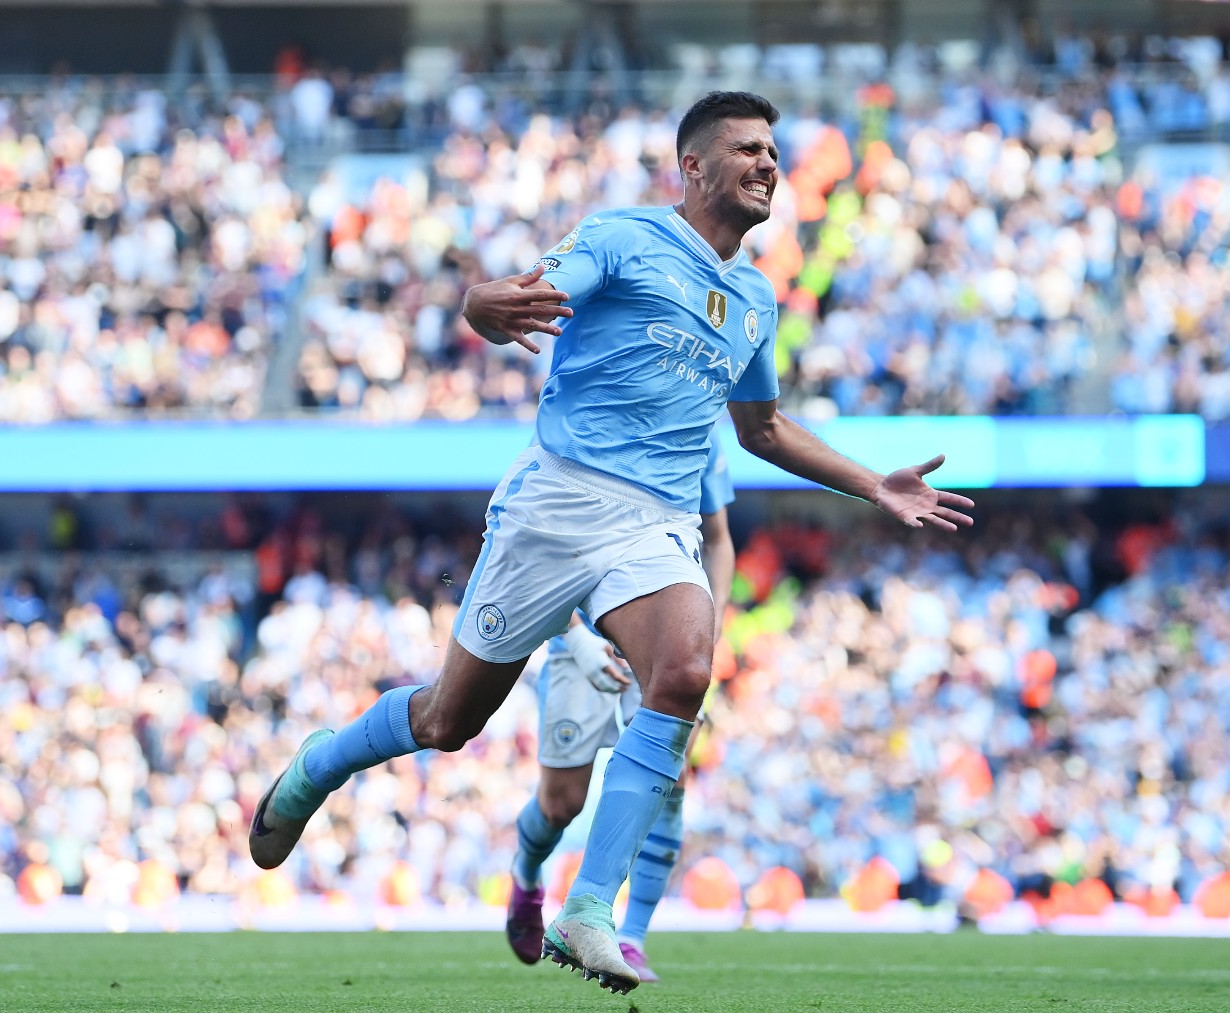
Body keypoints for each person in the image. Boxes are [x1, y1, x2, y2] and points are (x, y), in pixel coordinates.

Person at [247, 91, 975, 995]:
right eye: (747, 149)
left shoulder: (754, 299)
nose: (769, 164)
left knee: (685, 669)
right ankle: (323, 759)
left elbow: (763, 430)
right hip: (560, 501)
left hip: (655, 521)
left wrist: (873, 483)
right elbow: (526, 294)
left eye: (775, 152)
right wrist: (483, 305)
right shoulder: (621, 238)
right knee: (448, 722)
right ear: (695, 168)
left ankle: (590, 909)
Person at [503, 425, 738, 980]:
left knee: (671, 781)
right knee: (561, 805)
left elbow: (720, 539)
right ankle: (528, 872)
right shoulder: (585, 420)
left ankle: (630, 935)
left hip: (658, 630)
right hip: (579, 636)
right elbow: (535, 551)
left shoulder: (698, 428)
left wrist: (708, 622)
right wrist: (576, 640)